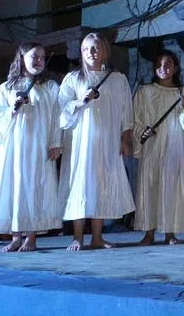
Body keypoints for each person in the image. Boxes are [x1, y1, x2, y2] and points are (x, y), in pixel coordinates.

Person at [0, 43, 62, 251]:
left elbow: (57, 117)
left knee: (35, 187)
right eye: (34, 56)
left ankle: (31, 238)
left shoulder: (50, 87)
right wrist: (12, 108)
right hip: (14, 148)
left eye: (42, 57)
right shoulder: (6, 88)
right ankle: (16, 236)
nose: (39, 61)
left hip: (38, 147)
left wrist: (55, 142)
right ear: (22, 58)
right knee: (15, 187)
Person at [59, 32, 135, 250]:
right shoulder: (73, 79)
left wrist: (126, 138)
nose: (91, 52)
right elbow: (61, 109)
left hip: (107, 141)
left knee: (100, 184)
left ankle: (97, 237)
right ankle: (78, 237)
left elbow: (126, 110)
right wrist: (80, 102)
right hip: (81, 142)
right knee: (80, 184)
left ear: (104, 51)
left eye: (96, 47)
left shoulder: (117, 79)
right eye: (86, 49)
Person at [133, 50, 184, 245]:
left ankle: (170, 232)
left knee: (173, 186)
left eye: (168, 63)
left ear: (175, 68)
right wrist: (143, 132)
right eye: (159, 64)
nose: (163, 68)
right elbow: (136, 118)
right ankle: (149, 232)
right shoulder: (145, 91)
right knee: (150, 185)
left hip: (174, 144)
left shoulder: (183, 92)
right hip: (152, 146)